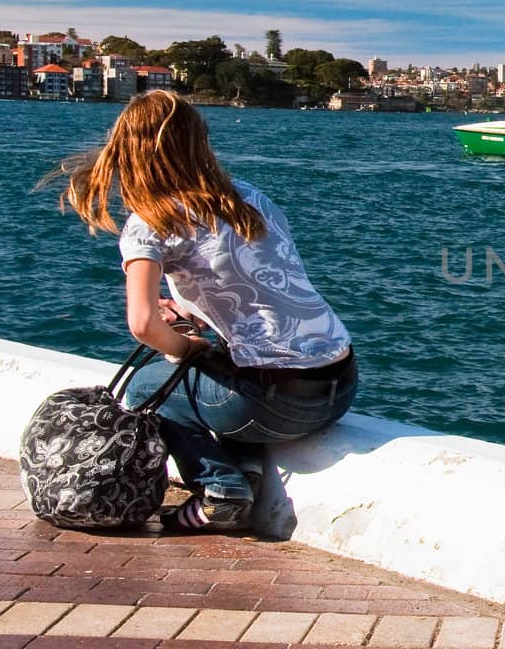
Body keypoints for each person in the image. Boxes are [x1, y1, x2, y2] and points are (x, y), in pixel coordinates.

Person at [54, 91, 356, 532]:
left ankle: (220, 489)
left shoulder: (150, 222)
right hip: (341, 385)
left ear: (128, 152)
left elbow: (141, 325)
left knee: (146, 388)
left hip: (277, 403)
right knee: (219, 369)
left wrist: (186, 347)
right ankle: (247, 463)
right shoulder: (251, 197)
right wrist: (190, 311)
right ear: (200, 142)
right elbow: (259, 284)